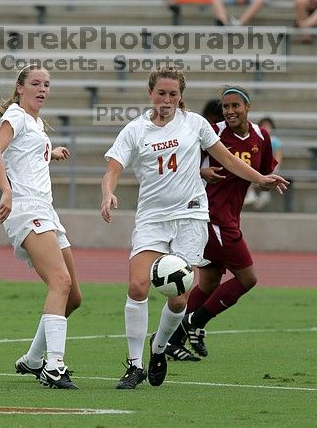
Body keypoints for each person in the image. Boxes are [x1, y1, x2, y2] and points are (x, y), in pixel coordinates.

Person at [100, 69, 289, 388]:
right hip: (152, 219)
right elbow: (113, 169)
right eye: (161, 93)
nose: (167, 100)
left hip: (190, 218)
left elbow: (228, 159)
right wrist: (108, 192)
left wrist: (260, 179)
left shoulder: (195, 125)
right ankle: (134, 365)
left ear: (180, 96)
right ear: (150, 93)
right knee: (137, 287)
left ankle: (158, 349)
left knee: (177, 300)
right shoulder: (135, 130)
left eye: (173, 94)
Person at [166, 86, 283, 362]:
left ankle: (172, 341)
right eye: (226, 107)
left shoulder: (260, 137)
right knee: (248, 278)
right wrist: (201, 171)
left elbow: (262, 175)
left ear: (247, 107)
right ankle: (194, 322)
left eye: (235, 106)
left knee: (208, 283)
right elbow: (175, 164)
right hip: (212, 218)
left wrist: (267, 184)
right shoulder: (213, 133)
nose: (230, 111)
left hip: (230, 216)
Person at [0, 64, 81, 389]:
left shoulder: (35, 123)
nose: (42, 89)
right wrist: (7, 190)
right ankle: (54, 366)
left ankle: (33, 359)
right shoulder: (15, 115)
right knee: (60, 281)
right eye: (36, 83)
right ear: (20, 87)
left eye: (47, 84)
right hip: (26, 208)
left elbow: (22, 155)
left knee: (74, 298)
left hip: (45, 209)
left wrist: (49, 154)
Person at [244, 115, 283, 209]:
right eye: (264, 126)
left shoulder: (275, 141)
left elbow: (278, 155)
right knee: (249, 172)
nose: (266, 129)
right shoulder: (258, 139)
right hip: (259, 165)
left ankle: (264, 195)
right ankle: (250, 193)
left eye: (268, 127)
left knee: (267, 175)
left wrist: (275, 166)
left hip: (270, 166)